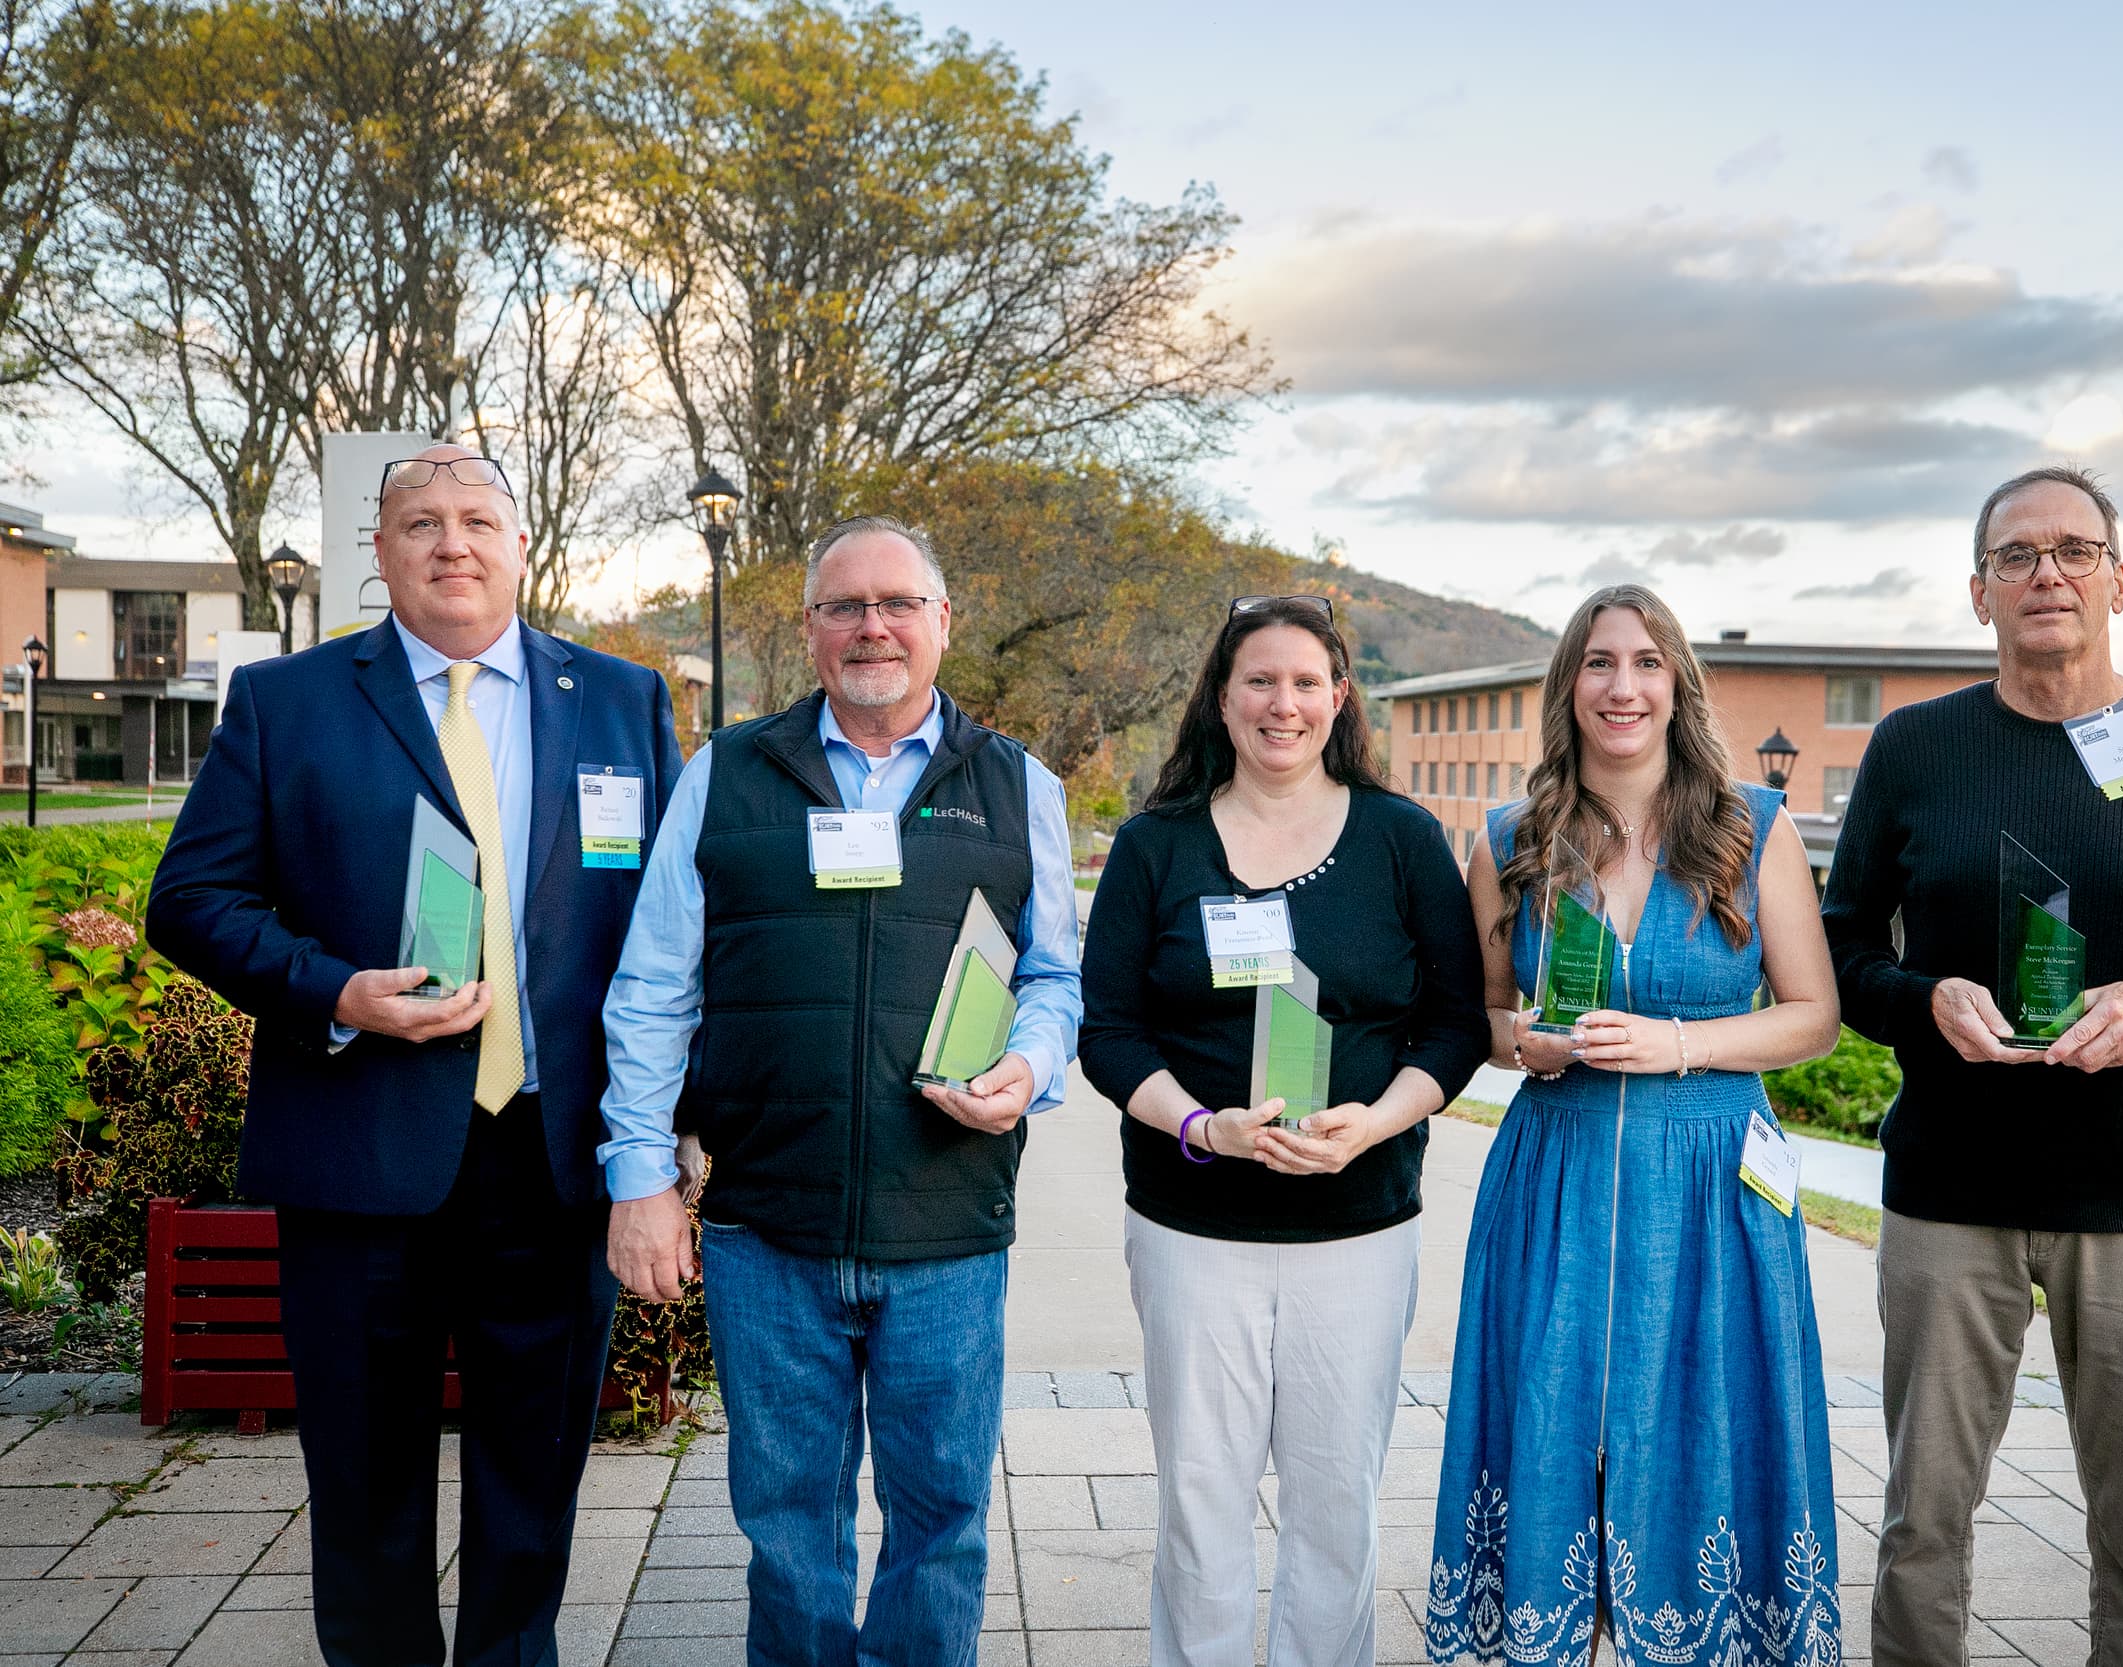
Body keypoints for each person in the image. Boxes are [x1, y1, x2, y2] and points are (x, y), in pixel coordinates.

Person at [147, 444, 683, 1665]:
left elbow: (669, 930)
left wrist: (674, 1134)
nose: (453, 543)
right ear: (379, 551)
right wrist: (336, 990)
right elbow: (190, 899)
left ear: (521, 544)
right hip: (360, 1152)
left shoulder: (619, 698)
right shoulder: (290, 702)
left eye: (479, 519)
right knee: (364, 1480)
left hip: (555, 1159)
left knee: (532, 1477)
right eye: (421, 522)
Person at [1820, 466, 2123, 1667]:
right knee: (1920, 1526)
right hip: (1950, 1193)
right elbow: (1841, 948)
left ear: (2118, 577)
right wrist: (1917, 998)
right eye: (2016, 556)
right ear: (1979, 591)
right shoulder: (1913, 747)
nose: (2046, 572)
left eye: (2073, 550)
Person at [598, 514, 1082, 1666]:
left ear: (942, 622)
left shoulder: (1021, 788)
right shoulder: (727, 775)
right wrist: (639, 1176)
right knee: (787, 1529)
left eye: (899, 602)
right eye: (844, 605)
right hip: (772, 1227)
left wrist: (1032, 1063)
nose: (873, 625)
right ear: (809, 629)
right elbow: (652, 986)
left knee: (943, 1522)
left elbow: (1057, 975)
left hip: (948, 1225)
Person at [1424, 585, 1843, 1665]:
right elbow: (1477, 1016)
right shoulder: (1510, 837)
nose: (1622, 685)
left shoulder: (1753, 826)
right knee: (1559, 1416)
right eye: (1599, 662)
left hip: (1712, 1178)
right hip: (1554, 1170)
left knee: (1701, 1423)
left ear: (1677, 685)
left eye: (1646, 662)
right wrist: (1528, 1042)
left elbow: (1813, 1017)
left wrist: (1680, 1043)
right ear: (1568, 684)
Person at [1079, 594, 1486, 1667]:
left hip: (1356, 1226)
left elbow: (1453, 1027)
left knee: (1334, 1501)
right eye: (1259, 679)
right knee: (1201, 1498)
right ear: (1222, 696)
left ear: (1338, 697)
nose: (1283, 702)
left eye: (1306, 681)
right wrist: (1203, 1126)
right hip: (1191, 1225)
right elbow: (1108, 1033)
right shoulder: (1155, 845)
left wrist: (1373, 1124)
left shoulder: (1400, 839)